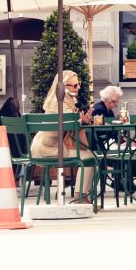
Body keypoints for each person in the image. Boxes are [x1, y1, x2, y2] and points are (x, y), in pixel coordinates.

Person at [31, 70, 95, 201]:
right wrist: (81, 121)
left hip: (41, 146)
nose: (78, 88)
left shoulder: (58, 101)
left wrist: (80, 121)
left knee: (88, 155)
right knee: (90, 157)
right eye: (75, 85)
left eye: (79, 84)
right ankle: (81, 197)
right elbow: (69, 125)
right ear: (63, 87)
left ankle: (81, 197)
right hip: (48, 149)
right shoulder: (60, 103)